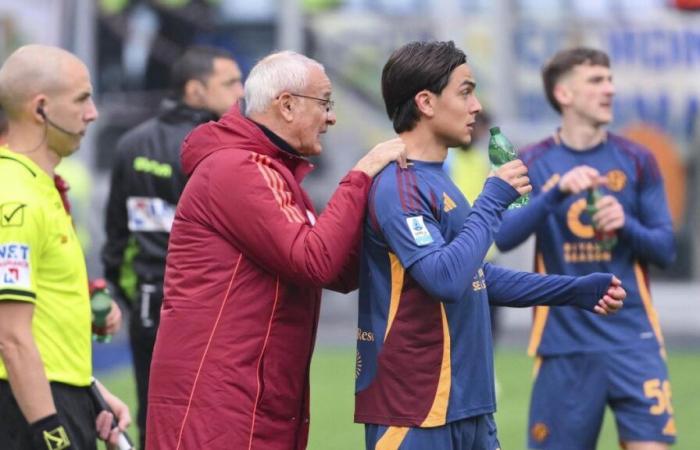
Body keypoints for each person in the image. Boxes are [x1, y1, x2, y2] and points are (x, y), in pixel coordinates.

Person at [354, 40, 626, 450]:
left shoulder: (436, 178)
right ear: (425, 102)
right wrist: (493, 199)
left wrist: (574, 290)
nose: (477, 106)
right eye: (465, 92)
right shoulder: (397, 186)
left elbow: (477, 278)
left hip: (471, 409)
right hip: (415, 414)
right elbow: (444, 279)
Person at [145, 50, 407, 450]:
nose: (331, 117)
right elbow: (314, 260)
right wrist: (361, 174)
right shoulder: (237, 169)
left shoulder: (272, 172)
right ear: (286, 105)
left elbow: (339, 269)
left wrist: (388, 216)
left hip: (255, 398)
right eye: (325, 103)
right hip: (219, 405)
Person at [494, 47, 677, 450]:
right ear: (564, 95)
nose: (609, 89)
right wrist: (555, 192)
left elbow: (665, 250)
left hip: (634, 339)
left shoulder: (638, 158)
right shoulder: (534, 161)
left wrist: (625, 224)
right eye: (596, 80)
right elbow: (504, 235)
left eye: (609, 79)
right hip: (565, 343)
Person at [101, 44, 243, 449]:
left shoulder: (130, 143)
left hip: (149, 302)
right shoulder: (218, 148)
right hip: (209, 305)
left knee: (155, 416)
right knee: (214, 417)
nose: (241, 90)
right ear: (195, 90)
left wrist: (129, 293)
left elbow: (116, 240)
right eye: (230, 82)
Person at [0, 45, 131, 450]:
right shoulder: (14, 200)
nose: (92, 112)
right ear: (40, 108)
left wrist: (88, 391)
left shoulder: (40, 184)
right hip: (27, 412)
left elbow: (43, 319)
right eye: (81, 98)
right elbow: (10, 336)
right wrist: (52, 432)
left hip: (57, 396)